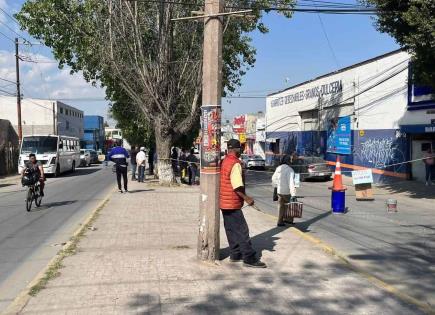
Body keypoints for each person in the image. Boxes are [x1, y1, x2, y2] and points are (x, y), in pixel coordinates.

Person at [220, 139, 266, 268]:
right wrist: (247, 199)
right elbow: (237, 186)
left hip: (224, 202)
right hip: (233, 202)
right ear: (236, 150)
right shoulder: (235, 164)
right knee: (242, 230)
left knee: (231, 229)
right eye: (240, 149)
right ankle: (249, 258)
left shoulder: (224, 161)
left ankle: (235, 254)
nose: (241, 152)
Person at [272, 154, 297, 226]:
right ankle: (288, 220)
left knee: (281, 206)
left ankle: (280, 221)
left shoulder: (278, 168)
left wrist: (277, 186)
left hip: (279, 191)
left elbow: (273, 178)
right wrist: (293, 194)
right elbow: (291, 183)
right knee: (290, 205)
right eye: (290, 160)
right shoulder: (290, 170)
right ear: (288, 161)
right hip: (287, 192)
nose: (291, 161)